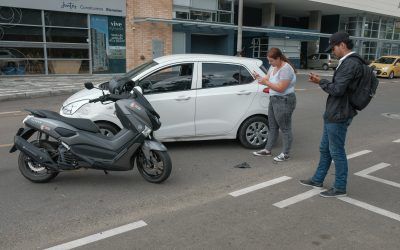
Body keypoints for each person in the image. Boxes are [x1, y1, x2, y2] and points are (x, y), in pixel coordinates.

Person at [300, 32, 364, 197]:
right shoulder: (350, 62)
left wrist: (320, 81)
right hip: (335, 112)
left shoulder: (350, 64)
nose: (333, 51)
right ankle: (317, 179)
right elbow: (340, 87)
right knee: (325, 148)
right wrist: (322, 81)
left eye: (334, 47)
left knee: (336, 151)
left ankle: (340, 187)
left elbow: (337, 89)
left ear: (342, 45)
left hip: (339, 114)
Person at [252, 48, 297, 162]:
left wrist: (265, 82)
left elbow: (281, 88)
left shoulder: (286, 69)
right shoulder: (274, 67)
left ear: (278, 58)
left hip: (284, 100)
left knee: (285, 128)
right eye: (269, 61)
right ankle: (267, 150)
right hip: (274, 99)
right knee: (272, 126)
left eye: (271, 61)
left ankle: (285, 154)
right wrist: (259, 78)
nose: (269, 63)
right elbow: (267, 79)